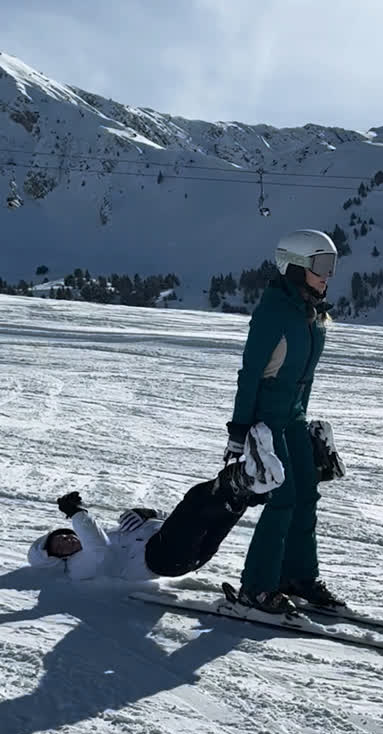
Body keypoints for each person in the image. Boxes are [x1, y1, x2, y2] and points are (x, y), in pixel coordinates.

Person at [224, 229, 346, 614]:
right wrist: (240, 431)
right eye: (320, 265)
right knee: (283, 498)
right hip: (266, 421)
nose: (327, 275)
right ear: (294, 266)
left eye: (331, 265)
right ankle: (256, 587)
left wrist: (305, 424)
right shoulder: (274, 312)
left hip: (293, 416)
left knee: (307, 493)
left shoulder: (312, 314)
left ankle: (297, 576)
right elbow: (250, 374)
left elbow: (304, 377)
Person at [28, 424, 285, 582]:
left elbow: (173, 522)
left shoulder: (112, 534)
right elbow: (99, 550)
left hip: (185, 554)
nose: (67, 540)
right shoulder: (76, 568)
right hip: (161, 559)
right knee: (196, 499)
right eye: (59, 547)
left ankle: (254, 486)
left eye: (62, 536)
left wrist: (151, 514)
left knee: (217, 511)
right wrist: (77, 513)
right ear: (57, 560)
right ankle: (247, 477)